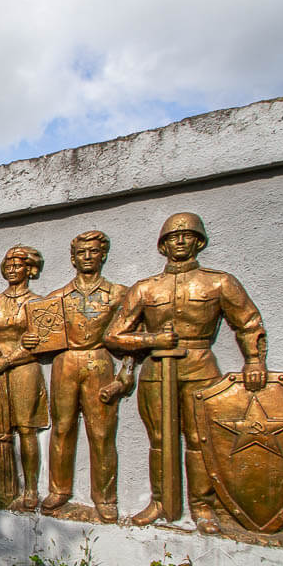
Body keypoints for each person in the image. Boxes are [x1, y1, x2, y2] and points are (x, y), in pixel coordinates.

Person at [103, 213, 266, 534]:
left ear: (198, 242)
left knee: (199, 439)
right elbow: (114, 335)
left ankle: (203, 505)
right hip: (156, 369)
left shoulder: (219, 282)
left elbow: (248, 323)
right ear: (163, 246)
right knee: (159, 440)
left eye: (187, 236)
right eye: (172, 238)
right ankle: (160, 501)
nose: (180, 241)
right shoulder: (145, 289)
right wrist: (151, 340)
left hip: (200, 367)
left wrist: (254, 361)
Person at [22, 231, 133, 523]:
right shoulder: (56, 297)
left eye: (93, 251)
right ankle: (59, 490)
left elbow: (132, 338)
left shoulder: (119, 294)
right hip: (66, 363)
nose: (87, 257)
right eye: (81, 252)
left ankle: (105, 497)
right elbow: (42, 338)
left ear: (102, 255)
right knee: (62, 428)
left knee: (102, 433)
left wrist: (126, 373)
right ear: (73, 258)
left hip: (99, 361)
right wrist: (33, 340)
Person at [0, 245, 50, 509]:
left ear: (30, 269)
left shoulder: (38, 303)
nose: (13, 269)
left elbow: (41, 343)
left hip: (23, 370)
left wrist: (7, 360)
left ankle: (30, 489)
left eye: (19, 265)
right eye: (9, 265)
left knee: (27, 430)